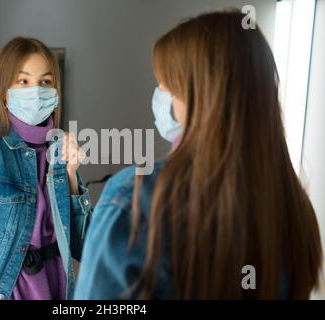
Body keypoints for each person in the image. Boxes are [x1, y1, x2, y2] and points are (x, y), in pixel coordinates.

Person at [74, 11, 323, 299]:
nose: (160, 96)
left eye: (167, 86)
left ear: (201, 95)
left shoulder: (138, 197)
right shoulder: (291, 205)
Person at [0, 37, 93, 300]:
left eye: (45, 82)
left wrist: (71, 176)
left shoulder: (59, 154)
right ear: (4, 90)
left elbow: (86, 249)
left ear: (56, 93)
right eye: (23, 81)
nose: (35, 91)